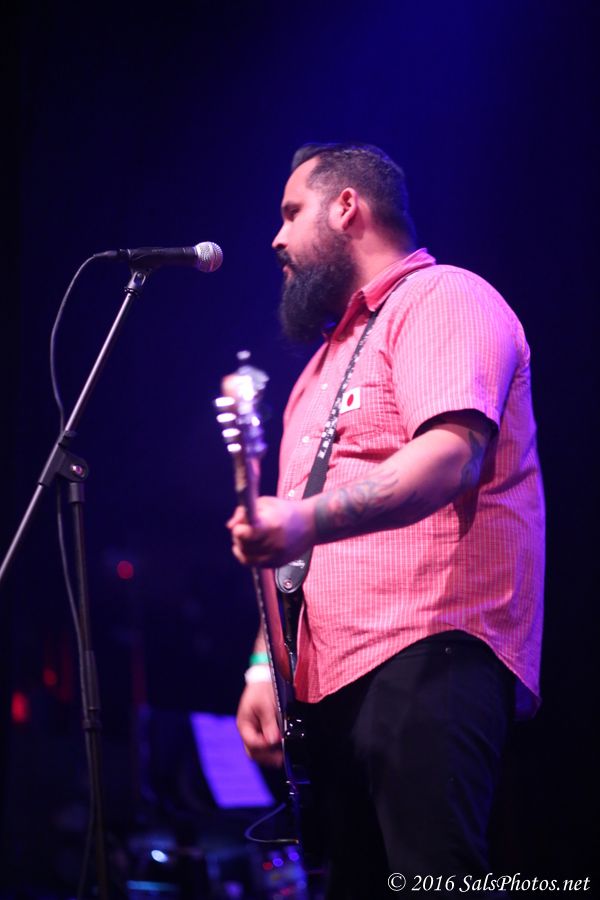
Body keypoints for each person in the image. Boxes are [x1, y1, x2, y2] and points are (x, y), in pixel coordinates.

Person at [228, 143, 545, 898]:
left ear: (347, 208)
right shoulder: (314, 372)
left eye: (291, 213)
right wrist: (264, 665)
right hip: (328, 683)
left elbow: (449, 458)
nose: (275, 237)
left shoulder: (443, 298)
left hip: (430, 649)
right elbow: (295, 551)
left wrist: (301, 520)